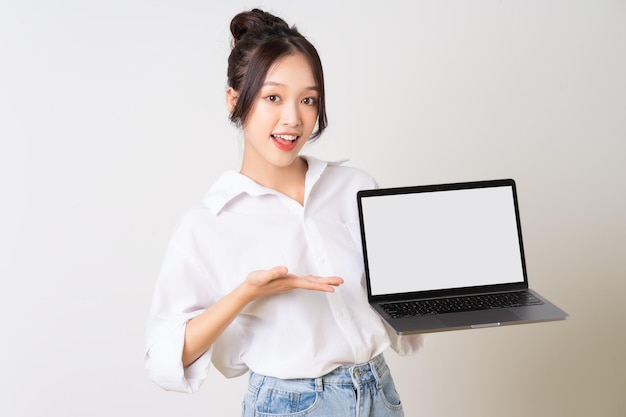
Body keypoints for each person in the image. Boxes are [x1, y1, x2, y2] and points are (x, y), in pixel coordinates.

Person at [144, 8, 423, 417]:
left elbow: (396, 305)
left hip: (378, 392)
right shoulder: (209, 222)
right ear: (235, 100)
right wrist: (246, 294)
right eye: (273, 97)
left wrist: (441, 285)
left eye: (308, 100)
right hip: (291, 405)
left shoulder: (356, 188)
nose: (293, 119)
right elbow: (164, 356)